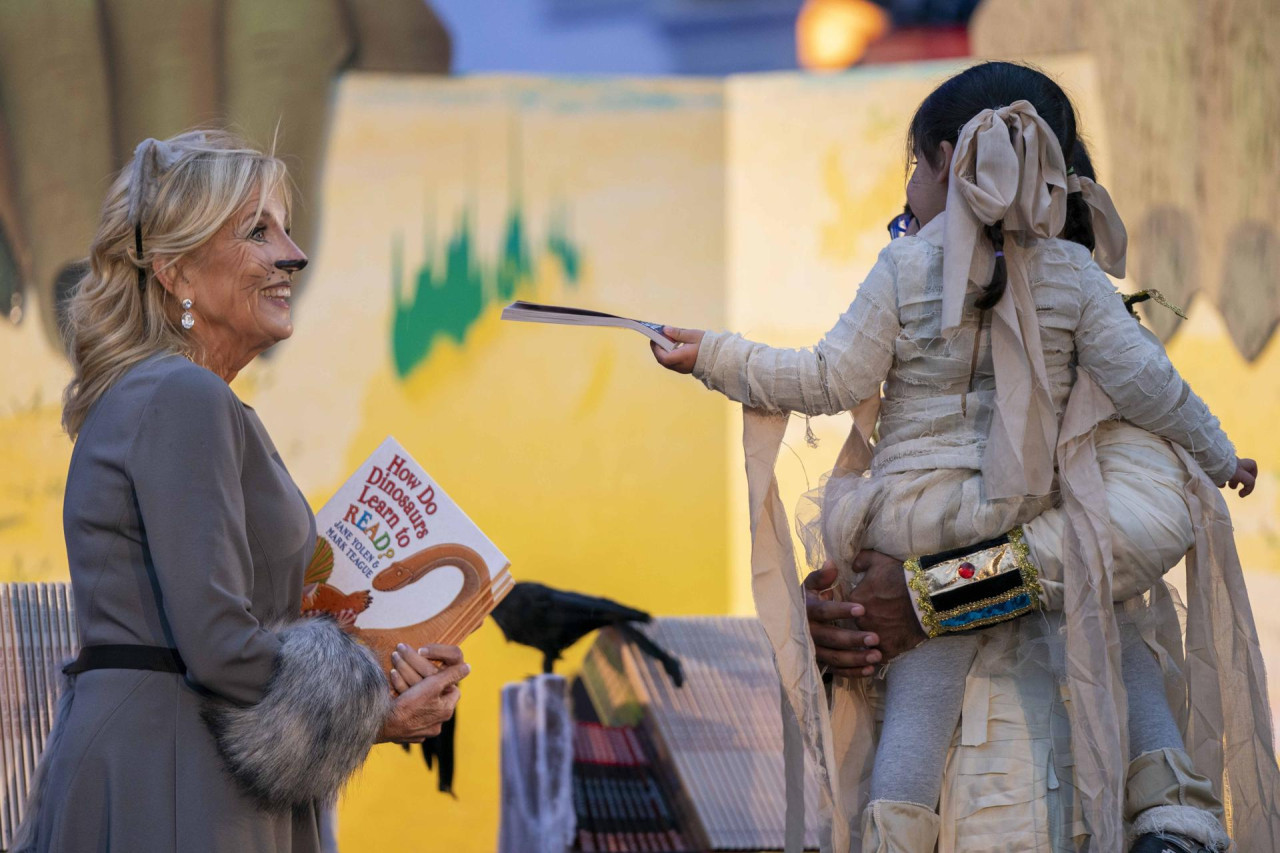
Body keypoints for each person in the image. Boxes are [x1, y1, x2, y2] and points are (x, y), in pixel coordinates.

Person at [652, 62, 1279, 851]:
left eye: (915, 165)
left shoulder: (931, 283)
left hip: (934, 554)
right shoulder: (1073, 285)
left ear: (949, 160)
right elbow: (1156, 383)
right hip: (995, 529)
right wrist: (845, 625)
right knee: (1096, 653)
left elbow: (824, 375)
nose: (907, 188)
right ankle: (1174, 813)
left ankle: (1140, 822)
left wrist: (930, 597)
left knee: (1092, 646)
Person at [12, 130, 470, 853]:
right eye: (259, 231)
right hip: (177, 778)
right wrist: (370, 709)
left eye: (287, 229)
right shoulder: (181, 395)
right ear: (176, 271)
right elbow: (221, 645)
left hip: (173, 762)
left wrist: (380, 674)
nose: (294, 254)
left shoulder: (173, 396)